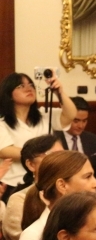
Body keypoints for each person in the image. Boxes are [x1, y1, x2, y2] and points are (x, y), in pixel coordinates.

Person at [0, 72, 76, 201]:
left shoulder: (43, 115)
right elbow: (5, 150)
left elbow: (71, 115)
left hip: (45, 182)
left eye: (31, 85)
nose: (28, 89)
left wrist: (59, 93)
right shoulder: (2, 122)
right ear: (9, 94)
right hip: (13, 184)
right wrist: (44, 155)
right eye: (20, 86)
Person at [2, 136, 63, 240]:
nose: (61, 161)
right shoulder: (19, 200)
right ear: (31, 164)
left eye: (63, 155)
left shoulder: (72, 193)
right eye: (52, 155)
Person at [55, 97, 96, 187]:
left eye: (84, 121)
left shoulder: (92, 139)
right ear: (65, 117)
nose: (81, 126)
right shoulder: (54, 139)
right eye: (76, 121)